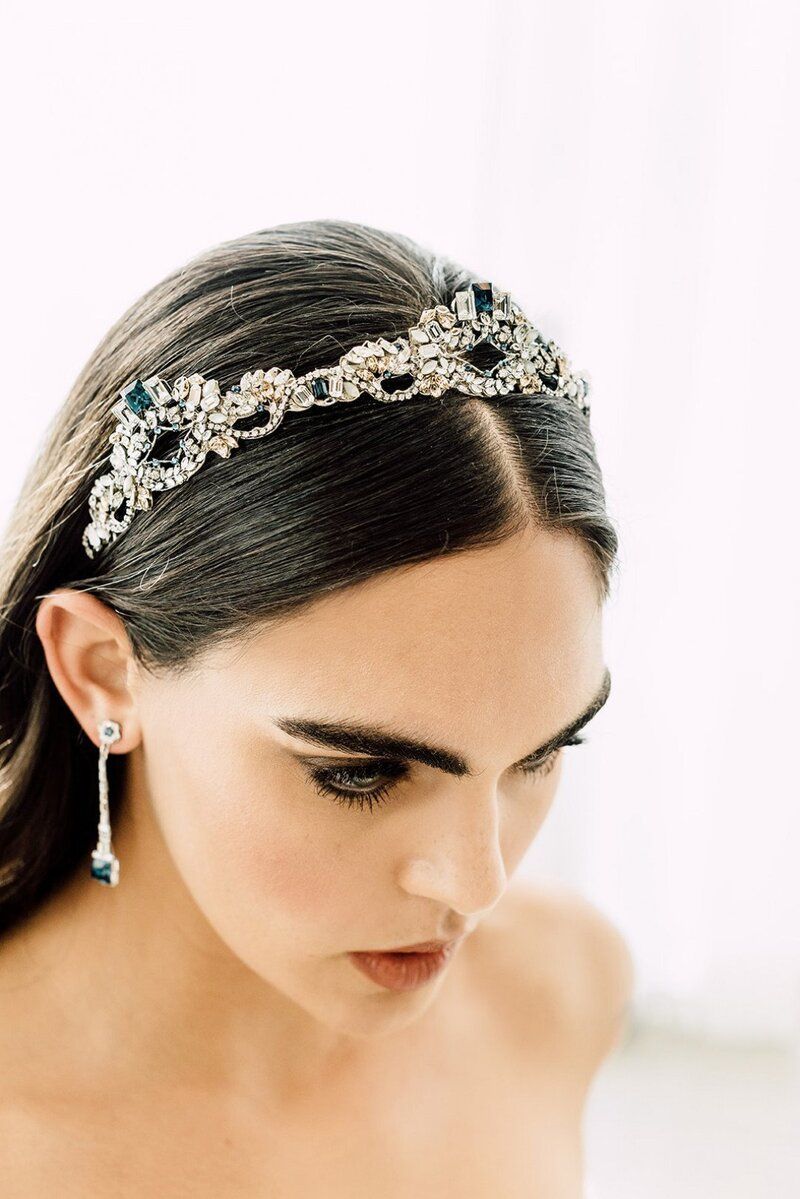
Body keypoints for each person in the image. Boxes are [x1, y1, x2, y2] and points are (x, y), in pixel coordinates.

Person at [0, 219, 633, 1196]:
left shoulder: (555, 988)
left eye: (539, 754)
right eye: (360, 772)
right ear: (102, 672)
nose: (475, 883)